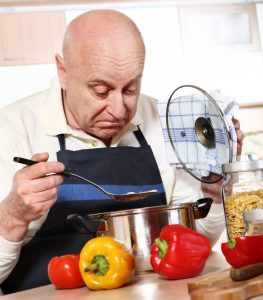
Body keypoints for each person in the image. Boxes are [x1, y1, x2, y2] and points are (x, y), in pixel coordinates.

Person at [0, 9, 243, 294]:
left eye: (130, 89)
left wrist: (214, 190)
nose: (118, 110)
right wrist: (12, 217)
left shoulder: (165, 120)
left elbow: (194, 243)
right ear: (63, 72)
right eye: (101, 91)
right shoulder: (11, 130)